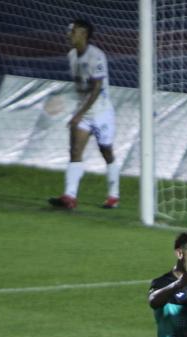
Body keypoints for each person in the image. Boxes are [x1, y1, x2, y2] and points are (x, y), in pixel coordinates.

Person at [48, 17, 120, 210]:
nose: (69, 35)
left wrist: (79, 113)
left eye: (73, 31)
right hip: (83, 112)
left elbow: (96, 88)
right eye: (69, 31)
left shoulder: (96, 56)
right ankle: (69, 197)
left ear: (84, 34)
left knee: (106, 152)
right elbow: (80, 87)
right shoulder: (71, 55)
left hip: (101, 112)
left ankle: (114, 194)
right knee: (75, 151)